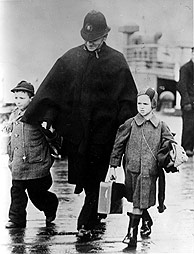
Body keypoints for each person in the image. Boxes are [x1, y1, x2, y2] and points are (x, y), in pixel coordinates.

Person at [21, 10, 138, 237]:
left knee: (94, 179)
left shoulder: (117, 61)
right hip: (77, 134)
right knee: (84, 179)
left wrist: (127, 128)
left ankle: (85, 223)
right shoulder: (70, 59)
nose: (90, 43)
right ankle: (106, 202)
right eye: (87, 39)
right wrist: (39, 117)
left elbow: (127, 99)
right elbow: (51, 92)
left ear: (106, 36)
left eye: (94, 40)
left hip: (104, 134)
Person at [109, 88, 176, 248]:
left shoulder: (160, 126)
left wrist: (173, 154)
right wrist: (113, 166)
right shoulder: (130, 124)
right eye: (139, 103)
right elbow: (118, 145)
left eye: (145, 103)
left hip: (150, 173)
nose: (142, 106)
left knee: (138, 203)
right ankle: (147, 221)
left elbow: (170, 143)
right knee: (136, 199)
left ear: (153, 104)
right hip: (131, 171)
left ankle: (131, 237)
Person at [4, 81, 58, 228]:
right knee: (17, 192)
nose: (18, 102)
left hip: (36, 163)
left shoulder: (37, 115)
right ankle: (16, 219)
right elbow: (11, 140)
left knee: (37, 194)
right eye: (16, 98)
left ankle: (50, 205)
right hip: (18, 164)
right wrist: (11, 159)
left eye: (21, 98)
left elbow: (51, 137)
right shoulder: (14, 115)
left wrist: (51, 133)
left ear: (31, 99)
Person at [177, 47, 194, 157]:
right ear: (192, 53)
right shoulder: (185, 68)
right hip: (189, 103)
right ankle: (187, 148)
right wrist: (186, 101)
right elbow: (182, 85)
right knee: (188, 126)